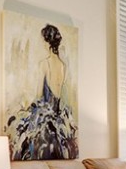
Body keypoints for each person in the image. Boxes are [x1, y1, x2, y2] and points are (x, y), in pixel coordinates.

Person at [6, 23, 79, 160]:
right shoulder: (63, 66)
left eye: (43, 41)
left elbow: (39, 94)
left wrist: (25, 105)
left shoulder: (44, 64)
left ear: (47, 43)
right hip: (58, 115)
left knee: (20, 131)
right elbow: (58, 92)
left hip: (45, 116)